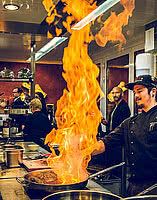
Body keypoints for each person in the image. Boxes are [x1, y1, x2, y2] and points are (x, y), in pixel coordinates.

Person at [92, 75, 157, 197]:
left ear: (153, 91)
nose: (136, 96)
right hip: (133, 185)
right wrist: (80, 152)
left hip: (154, 188)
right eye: (134, 92)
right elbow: (105, 143)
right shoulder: (130, 122)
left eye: (140, 91)